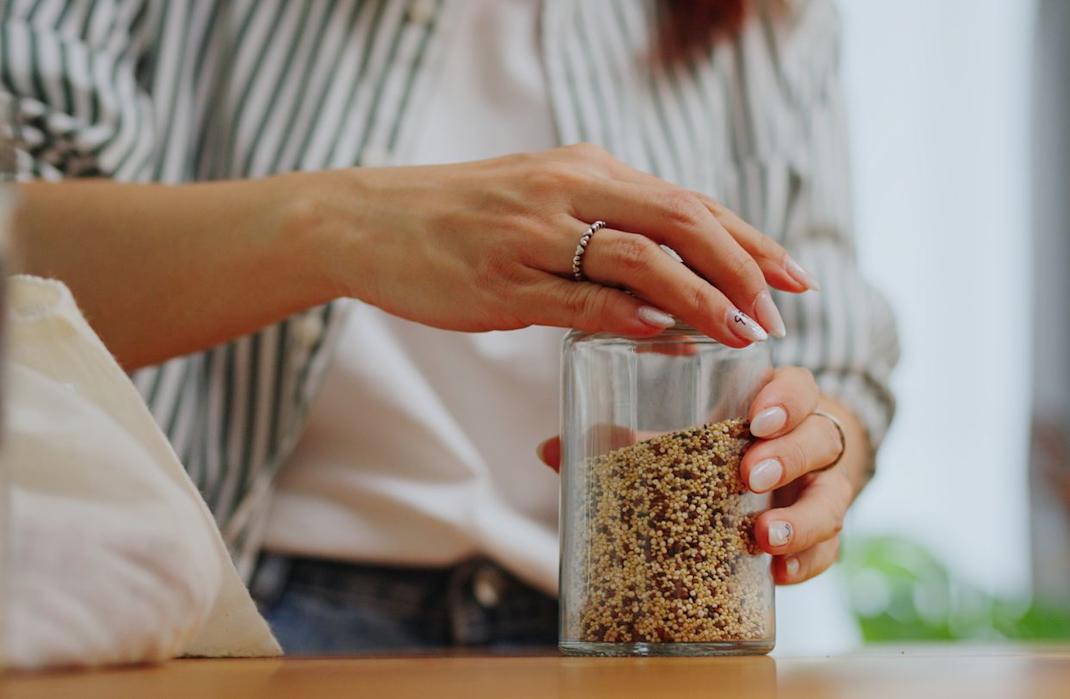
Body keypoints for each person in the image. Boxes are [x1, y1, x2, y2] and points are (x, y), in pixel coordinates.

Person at [1, 0, 898, 652]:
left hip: (629, 627)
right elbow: (22, 256)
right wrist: (343, 226)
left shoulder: (769, 19)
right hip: (253, 607)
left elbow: (831, 340)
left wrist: (812, 453)